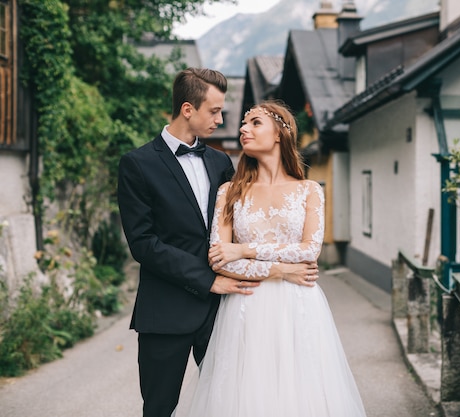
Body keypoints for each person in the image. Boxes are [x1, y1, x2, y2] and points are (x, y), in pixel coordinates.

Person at [118, 68, 307, 417]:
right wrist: (207, 279)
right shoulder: (137, 164)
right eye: (215, 111)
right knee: (160, 408)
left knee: (231, 404)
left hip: (224, 312)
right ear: (188, 109)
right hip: (166, 312)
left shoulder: (221, 162)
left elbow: (241, 231)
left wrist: (276, 266)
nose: (221, 120)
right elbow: (144, 244)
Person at [177, 100, 367, 417]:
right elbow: (220, 261)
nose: (242, 128)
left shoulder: (309, 190)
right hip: (245, 305)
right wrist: (281, 271)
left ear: (279, 133)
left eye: (254, 122)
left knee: (301, 393)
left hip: (299, 305)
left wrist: (246, 249)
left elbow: (309, 251)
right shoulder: (229, 191)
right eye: (243, 124)